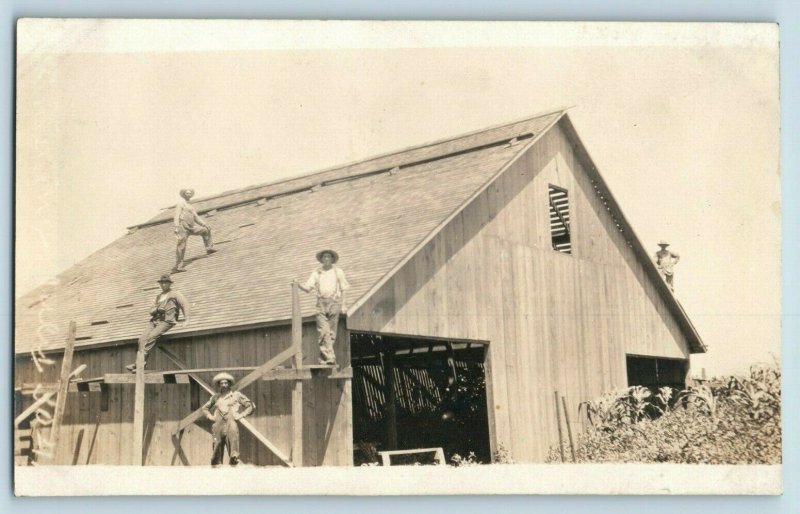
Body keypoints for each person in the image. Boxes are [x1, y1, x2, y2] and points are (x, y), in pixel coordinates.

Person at [293, 249, 350, 365]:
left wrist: (344, 304)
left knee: (332, 333)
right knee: (323, 331)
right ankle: (330, 358)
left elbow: (344, 289)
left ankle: (325, 358)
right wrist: (298, 285)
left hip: (334, 303)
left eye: (329, 257)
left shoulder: (338, 272)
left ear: (332, 259)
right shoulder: (317, 273)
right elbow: (308, 288)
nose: (327, 259)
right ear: (322, 259)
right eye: (324, 257)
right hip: (321, 304)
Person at [125, 274, 190, 372]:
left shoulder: (175, 294)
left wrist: (187, 320)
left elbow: (185, 304)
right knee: (142, 339)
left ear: (169, 284)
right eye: (162, 283)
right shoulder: (158, 297)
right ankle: (139, 364)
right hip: (155, 321)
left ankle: (139, 365)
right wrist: (157, 309)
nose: (164, 285)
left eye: (166, 283)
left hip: (167, 321)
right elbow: (151, 311)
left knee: (151, 337)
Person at [202, 373, 254, 467]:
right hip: (218, 425)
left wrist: (241, 415)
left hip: (231, 424)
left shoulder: (236, 395)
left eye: (226, 383)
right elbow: (205, 408)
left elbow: (250, 406)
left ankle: (234, 469)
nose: (224, 385)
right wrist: (211, 417)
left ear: (229, 384)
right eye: (221, 383)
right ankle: (216, 469)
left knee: (233, 446)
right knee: (216, 447)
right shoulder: (215, 397)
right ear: (219, 385)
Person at [173, 188, 216, 273]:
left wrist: (205, 224)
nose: (188, 194)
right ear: (184, 194)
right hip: (183, 226)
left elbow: (196, 217)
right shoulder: (180, 204)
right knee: (181, 245)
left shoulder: (191, 206)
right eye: (187, 193)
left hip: (191, 226)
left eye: (190, 193)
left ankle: (209, 248)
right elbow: (176, 216)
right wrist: (176, 227)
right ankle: (178, 266)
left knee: (205, 230)